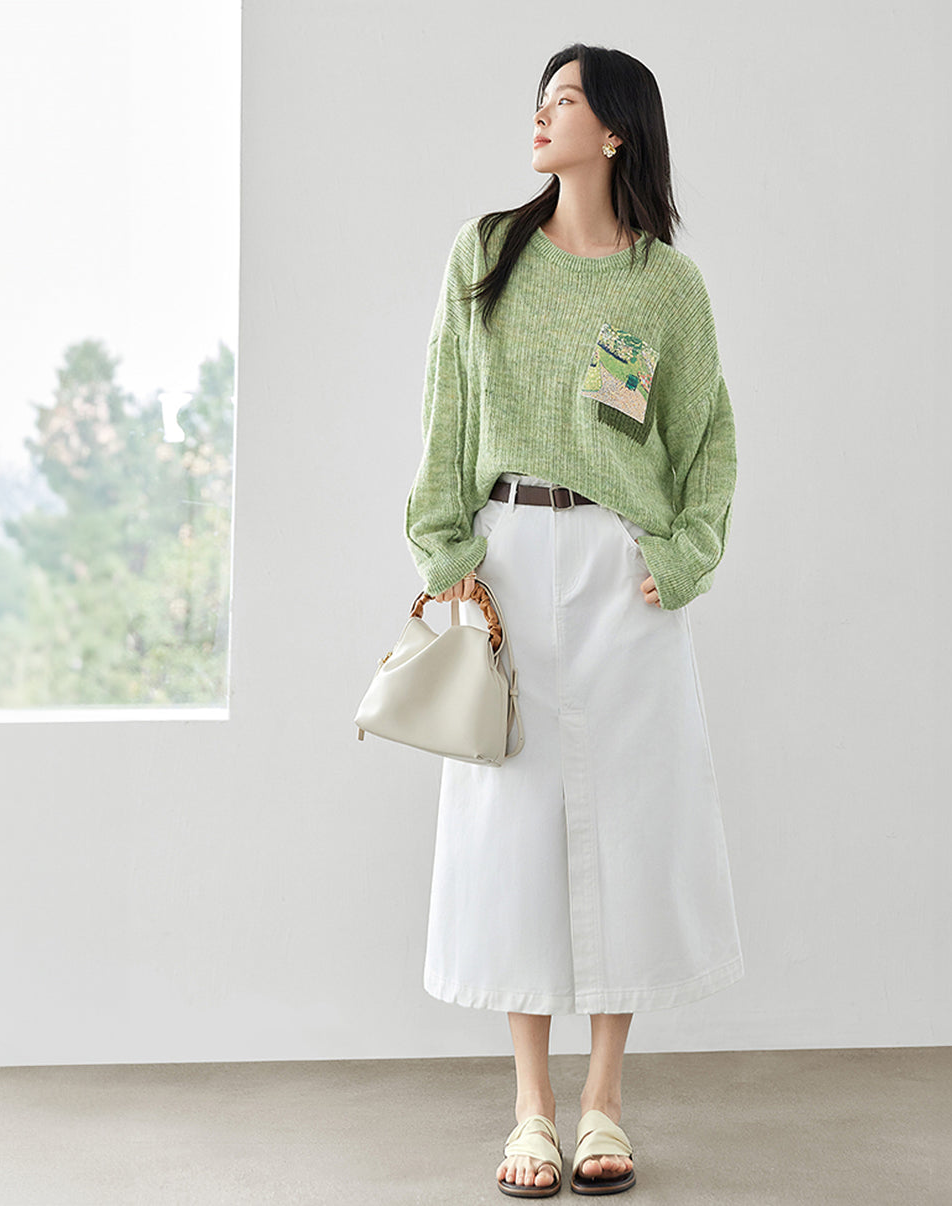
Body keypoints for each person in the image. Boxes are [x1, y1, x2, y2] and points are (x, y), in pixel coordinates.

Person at [403, 42, 744, 1198]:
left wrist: (684, 553)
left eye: (564, 100)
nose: (541, 117)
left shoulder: (665, 286)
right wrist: (447, 553)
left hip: (620, 572)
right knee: (514, 830)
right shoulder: (486, 253)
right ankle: (530, 1110)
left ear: (615, 130)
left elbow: (707, 435)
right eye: (540, 100)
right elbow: (446, 409)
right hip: (507, 560)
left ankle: (604, 1101)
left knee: (627, 826)